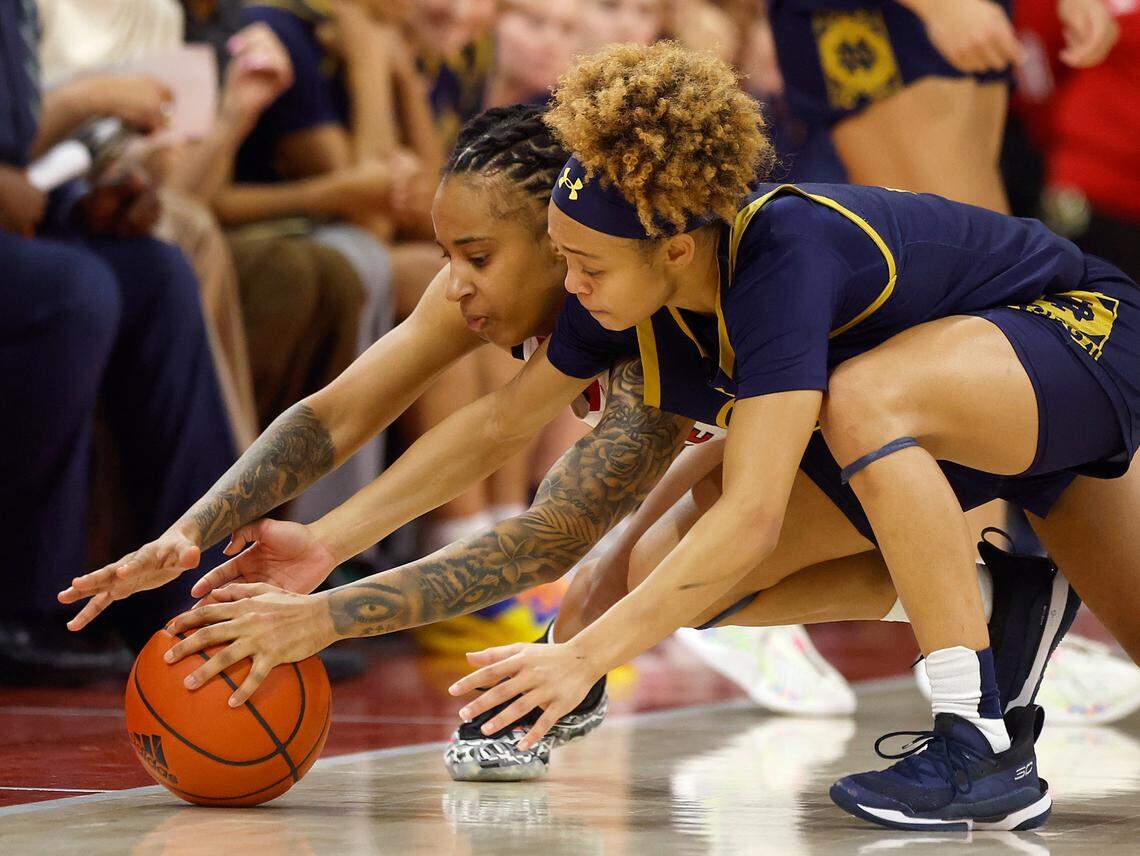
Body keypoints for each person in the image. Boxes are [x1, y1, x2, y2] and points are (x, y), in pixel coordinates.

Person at [146, 40, 1138, 827]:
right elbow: (519, 432)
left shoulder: (781, 256)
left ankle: (981, 741)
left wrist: (579, 657)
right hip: (946, 418)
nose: (572, 299)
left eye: (583, 269)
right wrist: (588, 598)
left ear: (667, 246)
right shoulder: (632, 283)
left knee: (851, 411)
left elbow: (750, 508)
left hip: (1078, 342)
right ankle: (1000, 595)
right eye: (563, 265)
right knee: (672, 578)